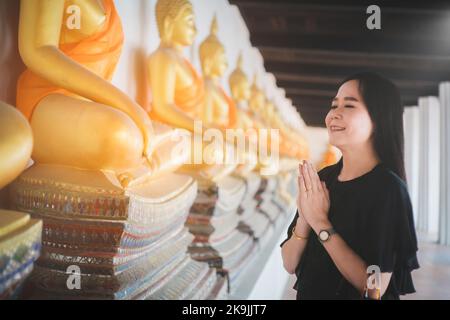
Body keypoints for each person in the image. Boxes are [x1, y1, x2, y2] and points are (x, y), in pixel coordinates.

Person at [280, 72, 419, 300]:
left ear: (379, 119)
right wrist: (306, 217)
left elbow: (373, 288)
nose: (334, 113)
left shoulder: (388, 190)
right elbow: (289, 262)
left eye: (349, 106)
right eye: (334, 105)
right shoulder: (323, 179)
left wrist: (321, 224)